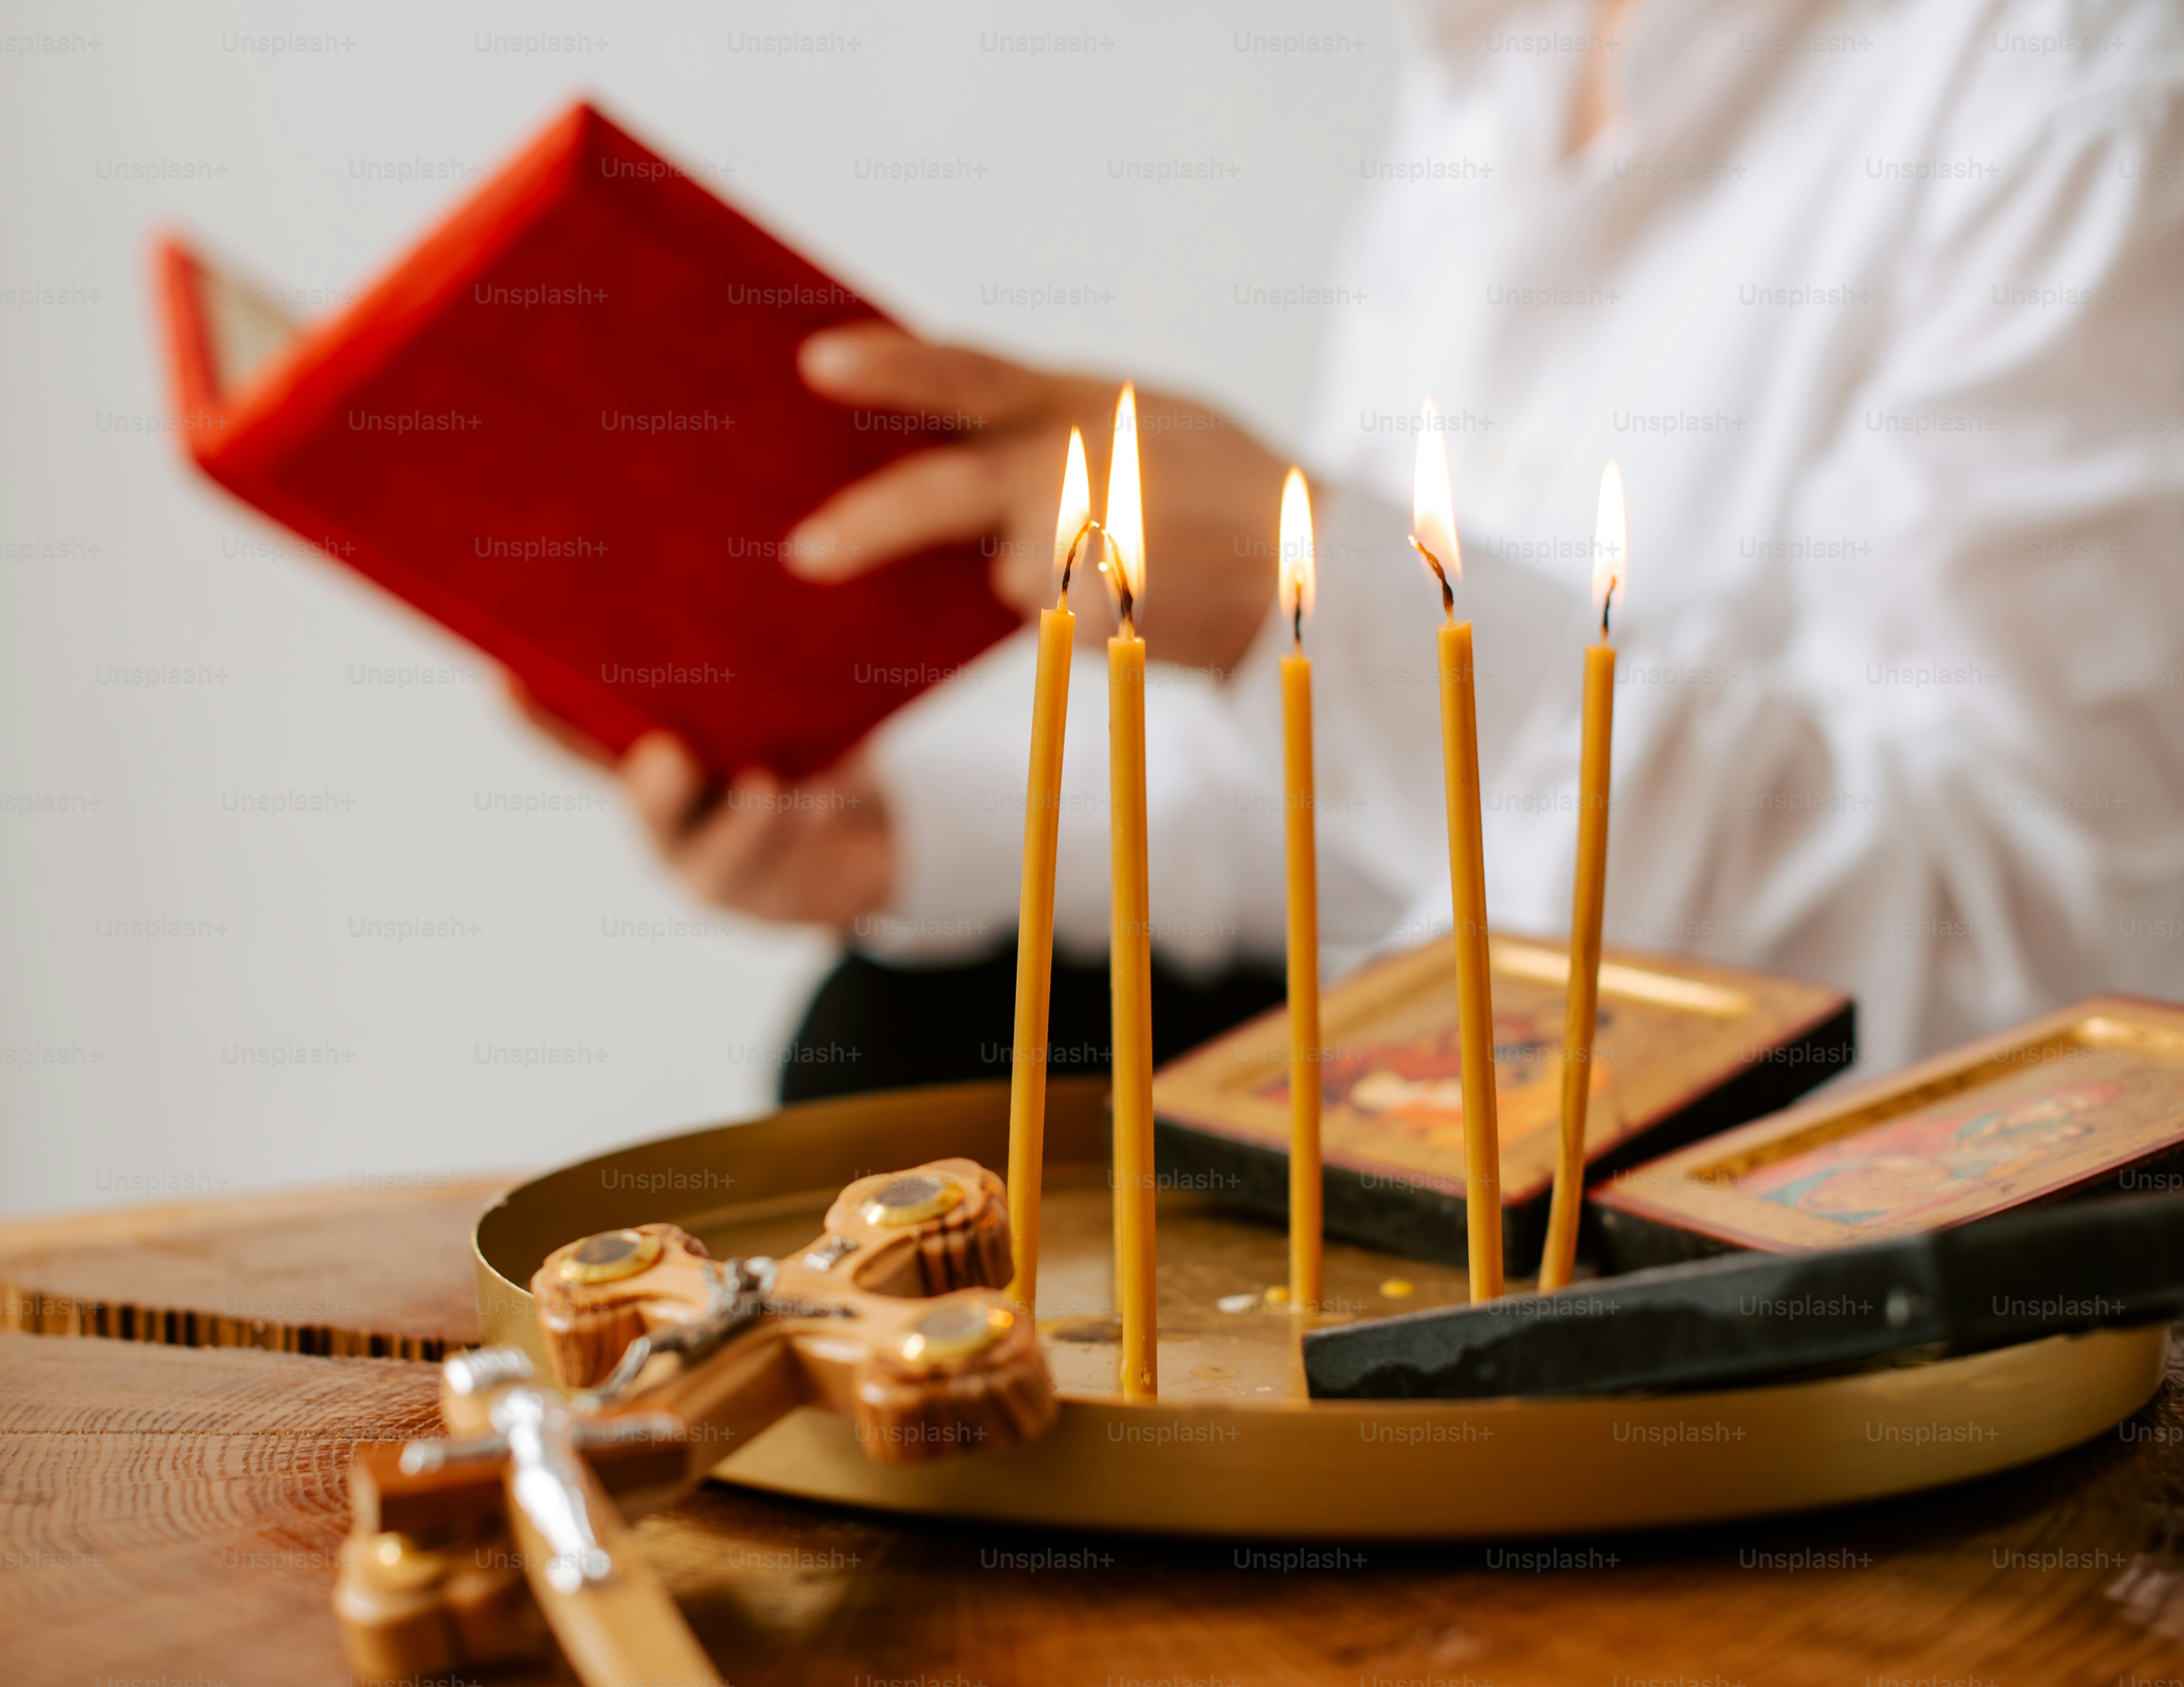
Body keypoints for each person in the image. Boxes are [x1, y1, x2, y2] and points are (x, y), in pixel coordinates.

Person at [515, 0, 2184, 1101]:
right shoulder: (1490, 76)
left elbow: (2022, 981)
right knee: (903, 1032)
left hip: (1800, 1188)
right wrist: (891, 840)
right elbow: (1390, 833)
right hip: (1501, 1079)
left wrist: (1326, 594)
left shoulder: (2073, 103)